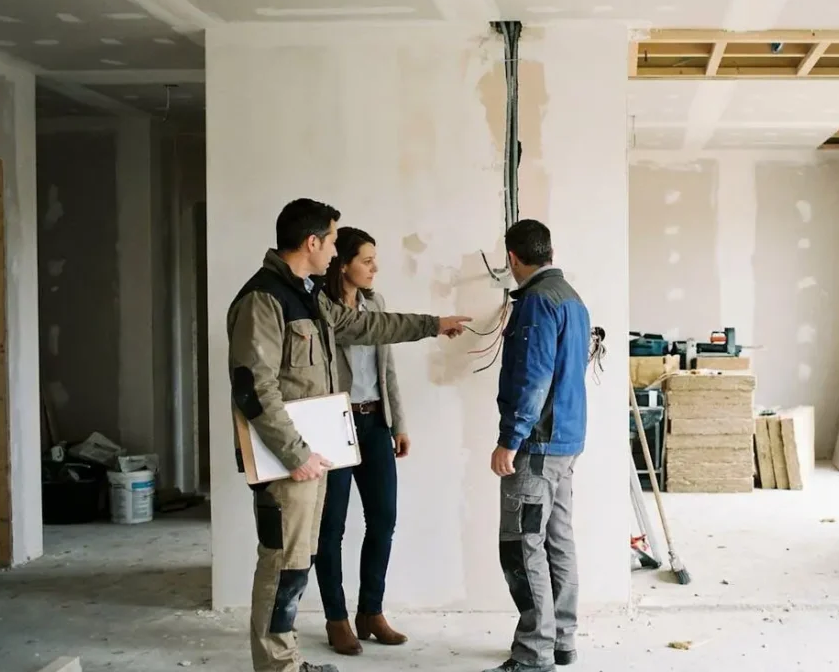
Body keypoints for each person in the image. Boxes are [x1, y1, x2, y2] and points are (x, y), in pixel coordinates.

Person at [227, 198, 471, 672]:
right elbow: (254, 390)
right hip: (287, 459)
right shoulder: (264, 299)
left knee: (299, 560)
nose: (336, 250)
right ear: (312, 242)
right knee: (282, 563)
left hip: (312, 453)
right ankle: (277, 665)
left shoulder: (307, 295)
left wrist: (432, 325)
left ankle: (289, 660)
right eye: (335, 241)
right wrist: (296, 454)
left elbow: (366, 324)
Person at [485, 219, 592, 672]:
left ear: (513, 258)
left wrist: (510, 440)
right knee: (557, 541)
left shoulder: (535, 302)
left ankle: (533, 653)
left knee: (522, 544)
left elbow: (534, 377)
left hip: (537, 445)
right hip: (566, 441)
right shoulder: (572, 298)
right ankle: (561, 640)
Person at [313, 227, 411, 655]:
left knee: (384, 520)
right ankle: (336, 618)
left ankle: (370, 611)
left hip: (375, 422)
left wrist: (399, 422)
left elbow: (387, 369)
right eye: (367, 260)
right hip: (333, 424)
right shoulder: (320, 308)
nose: (375, 267)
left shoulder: (377, 304)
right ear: (343, 263)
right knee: (330, 528)